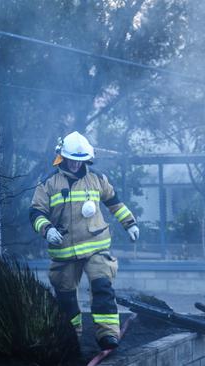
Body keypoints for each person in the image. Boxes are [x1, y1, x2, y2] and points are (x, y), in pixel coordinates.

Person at [29, 131, 139, 350]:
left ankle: (108, 335)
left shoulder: (97, 179)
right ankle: (70, 337)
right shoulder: (48, 184)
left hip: (96, 246)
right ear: (62, 157)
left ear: (86, 159)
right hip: (63, 251)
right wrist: (47, 229)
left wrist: (130, 223)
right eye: (71, 160)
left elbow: (114, 202)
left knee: (102, 288)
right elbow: (35, 213)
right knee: (66, 297)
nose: (74, 165)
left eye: (79, 160)